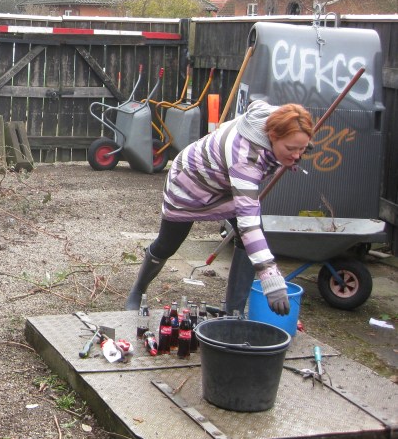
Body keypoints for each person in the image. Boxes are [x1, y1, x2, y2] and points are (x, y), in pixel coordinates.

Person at [124, 100, 314, 316]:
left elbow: (258, 104)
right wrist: (270, 277)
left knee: (246, 240)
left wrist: (296, 145)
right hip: (189, 184)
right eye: (291, 148)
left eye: (301, 149)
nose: (297, 155)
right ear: (272, 135)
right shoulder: (245, 158)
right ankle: (138, 290)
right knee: (167, 245)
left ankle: (234, 312)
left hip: (226, 186)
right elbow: (248, 222)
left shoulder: (277, 118)